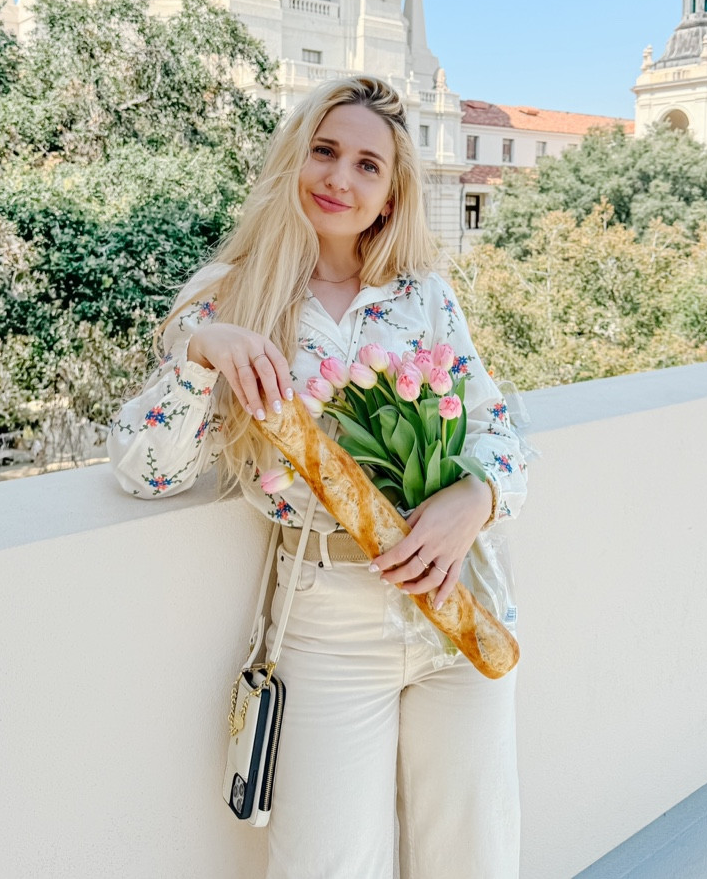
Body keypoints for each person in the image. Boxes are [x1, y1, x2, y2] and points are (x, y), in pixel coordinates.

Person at [108, 76, 529, 879]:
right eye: (325, 151)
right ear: (291, 160)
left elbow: (498, 431)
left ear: (390, 193)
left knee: (474, 857)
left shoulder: (424, 297)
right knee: (326, 865)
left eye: (368, 165)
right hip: (328, 620)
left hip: (457, 607)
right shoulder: (226, 299)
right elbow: (146, 473)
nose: (341, 178)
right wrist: (203, 357)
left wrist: (473, 500)